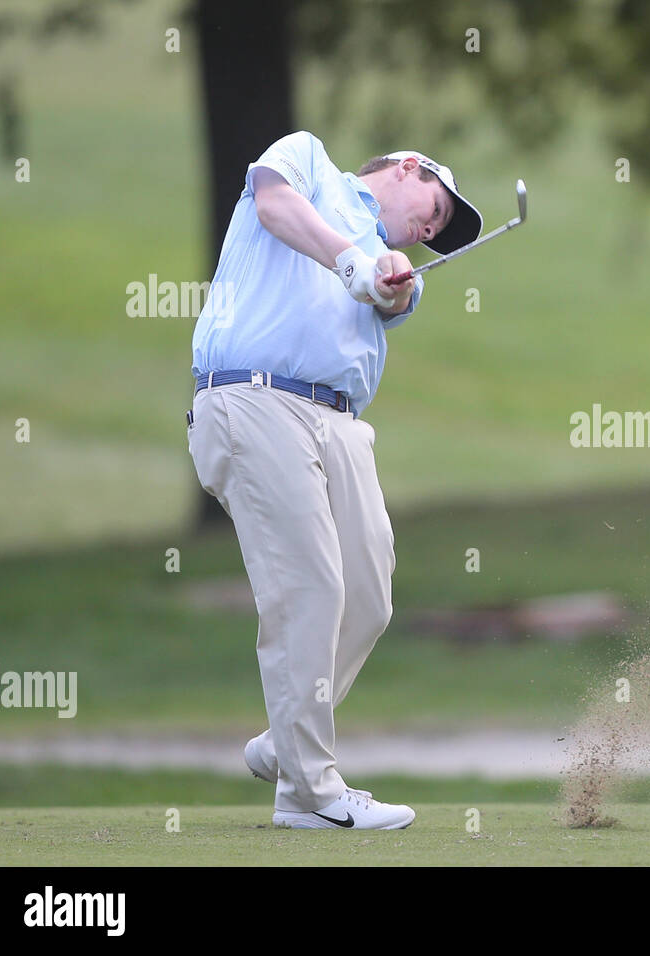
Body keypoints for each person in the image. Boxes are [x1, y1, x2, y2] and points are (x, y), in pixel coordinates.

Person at [186, 131, 482, 829]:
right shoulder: (311, 162)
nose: (428, 230)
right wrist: (350, 258)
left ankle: (284, 744)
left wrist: (385, 282)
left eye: (436, 234)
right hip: (254, 398)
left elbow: (390, 302)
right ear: (410, 167)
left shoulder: (392, 262)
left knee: (369, 594)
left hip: (340, 423)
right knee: (310, 585)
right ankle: (312, 793)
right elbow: (272, 204)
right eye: (433, 210)